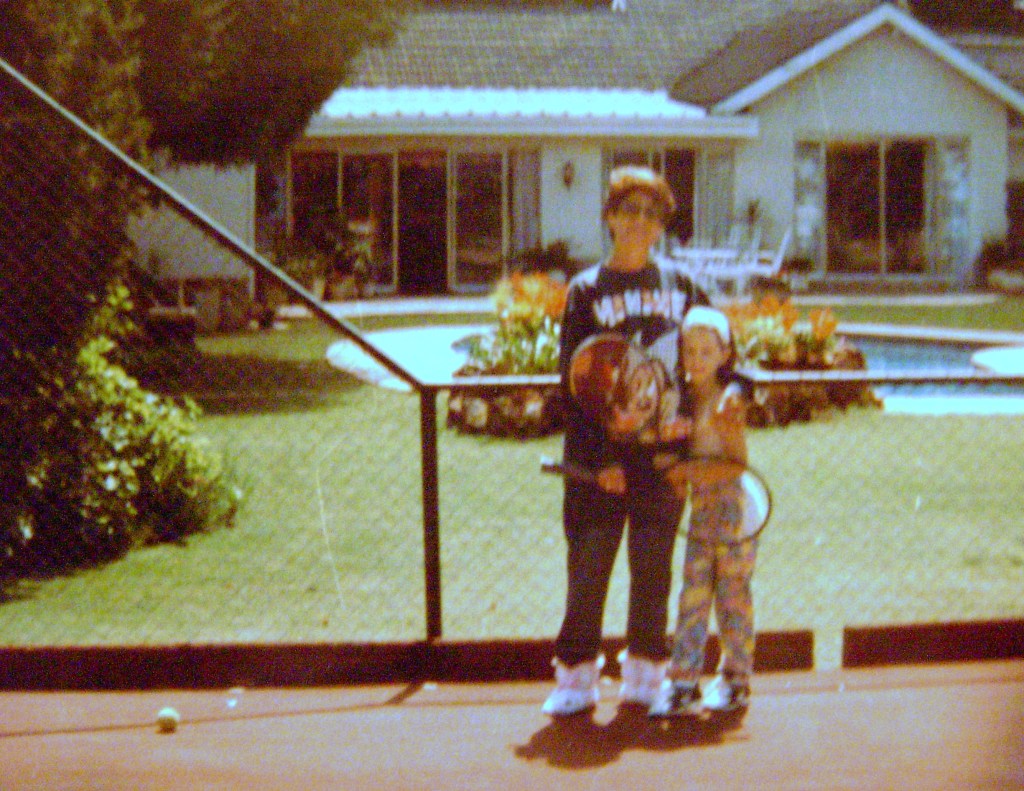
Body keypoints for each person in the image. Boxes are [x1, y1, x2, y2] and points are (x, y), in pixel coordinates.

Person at [542, 166, 711, 716]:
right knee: (588, 571)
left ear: (661, 225)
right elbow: (572, 382)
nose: (639, 222)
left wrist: (702, 428)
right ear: (610, 218)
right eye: (629, 210)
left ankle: (644, 676)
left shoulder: (683, 288)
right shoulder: (586, 290)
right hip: (600, 466)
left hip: (662, 462)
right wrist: (603, 458)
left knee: (653, 570)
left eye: (651, 213)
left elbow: (716, 359)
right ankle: (576, 680)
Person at [649, 305, 757, 718]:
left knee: (732, 595)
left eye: (705, 351)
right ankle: (683, 683)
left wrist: (691, 471)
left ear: (724, 354)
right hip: (701, 509)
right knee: (693, 594)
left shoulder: (728, 403)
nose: (696, 359)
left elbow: (737, 464)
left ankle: (736, 679)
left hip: (730, 508)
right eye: (689, 350)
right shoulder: (682, 398)